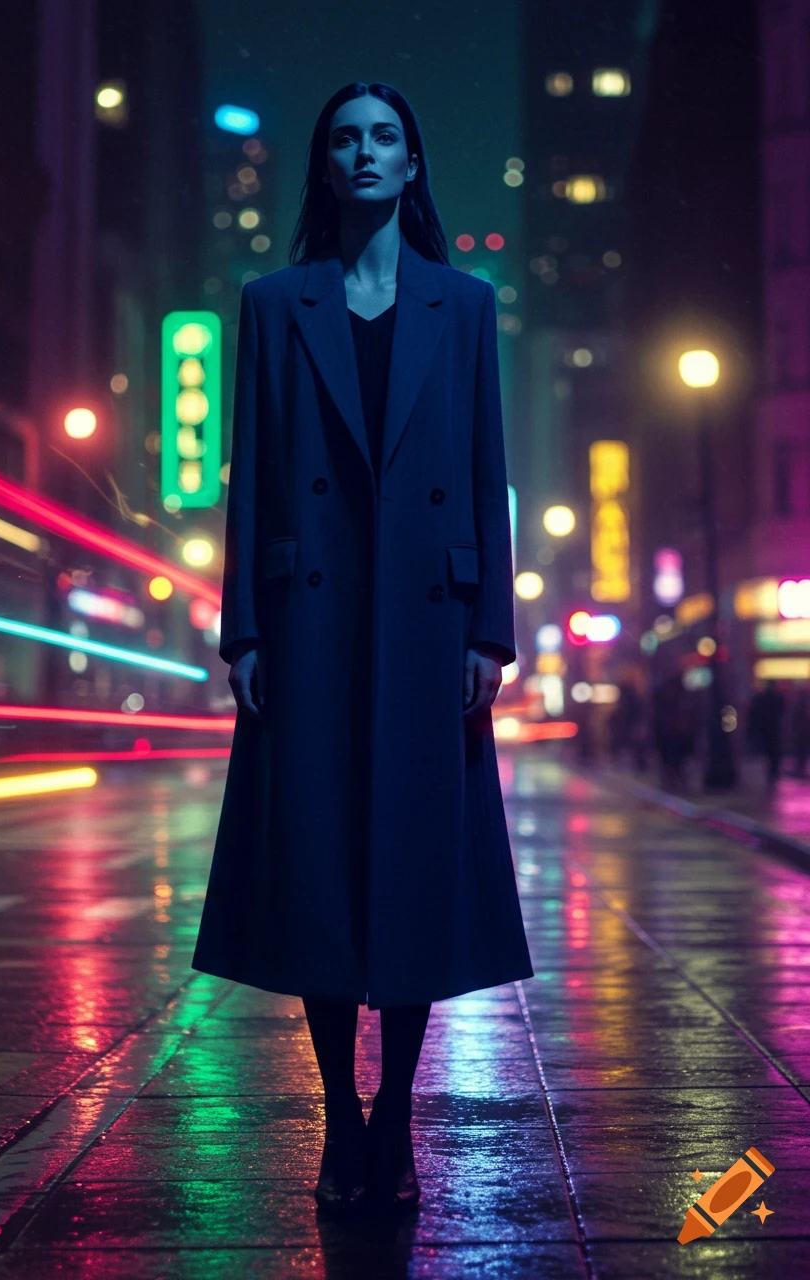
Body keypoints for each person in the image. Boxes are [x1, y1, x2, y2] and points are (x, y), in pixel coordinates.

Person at [192, 81, 533, 1217]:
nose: (364, 152)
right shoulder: (272, 301)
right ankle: (342, 1109)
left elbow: (484, 472)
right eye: (344, 138)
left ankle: (395, 1115)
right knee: (321, 867)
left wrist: (492, 625)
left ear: (412, 159)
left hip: (430, 621)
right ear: (323, 167)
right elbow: (249, 475)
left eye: (385, 134)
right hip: (314, 618)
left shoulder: (465, 305)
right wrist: (243, 625)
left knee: (414, 867)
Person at [747, 679, 787, 786]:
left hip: (765, 729)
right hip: (774, 728)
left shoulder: (761, 698)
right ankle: (773, 772)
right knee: (774, 752)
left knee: (767, 752)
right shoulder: (777, 697)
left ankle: (770, 773)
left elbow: (754, 714)